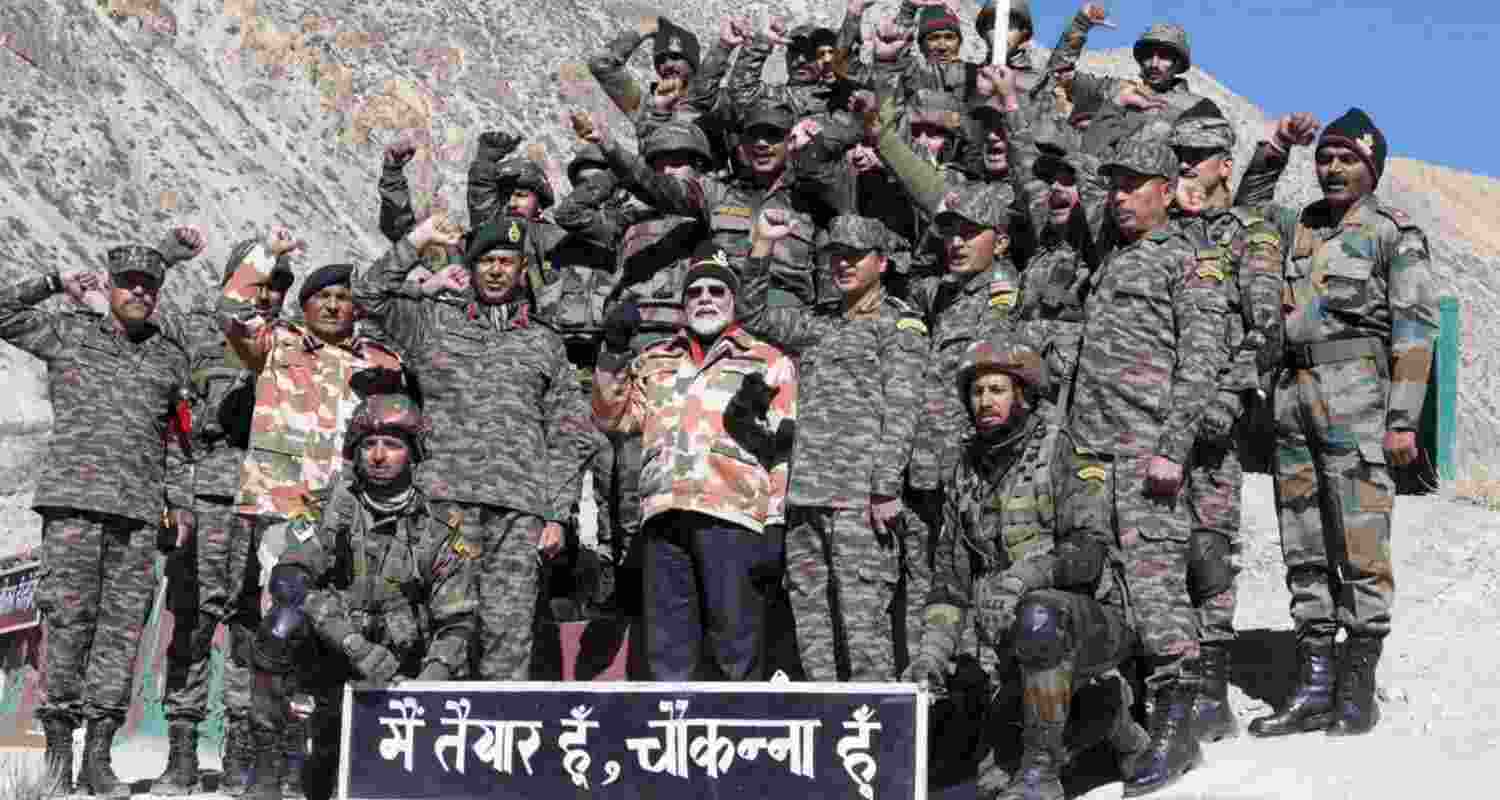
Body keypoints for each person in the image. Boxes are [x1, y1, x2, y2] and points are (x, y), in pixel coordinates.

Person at [1233, 108, 1437, 738]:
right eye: (1324, 157)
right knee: (1303, 546)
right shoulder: (1300, 226)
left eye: (1346, 158)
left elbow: (1415, 328)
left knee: (1361, 548)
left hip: (1358, 405)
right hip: (1291, 402)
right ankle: (1314, 684)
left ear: (1371, 166)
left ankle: (1357, 687)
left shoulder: (1392, 234)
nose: (1332, 168)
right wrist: (1274, 150)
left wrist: (1404, 421)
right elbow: (1247, 211)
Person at [0, 228, 202, 797]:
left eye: (150, 286)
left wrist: (181, 506)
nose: (140, 293)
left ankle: (100, 757)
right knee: (67, 626)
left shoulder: (167, 357)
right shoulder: (68, 334)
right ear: (109, 286)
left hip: (137, 516)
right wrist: (52, 283)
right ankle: (60, 754)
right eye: (129, 284)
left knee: (120, 634)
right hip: (72, 508)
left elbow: (177, 440)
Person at [354, 212, 598, 680]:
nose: (495, 270)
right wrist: (418, 239)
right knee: (442, 631)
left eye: (506, 261)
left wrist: (555, 513)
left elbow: (571, 431)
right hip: (444, 508)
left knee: (507, 639)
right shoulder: (433, 323)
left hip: (518, 512)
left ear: (522, 269)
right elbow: (369, 295)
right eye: (485, 260)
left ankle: (496, 744)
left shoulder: (544, 342)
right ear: (471, 266)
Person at [908, 337, 1147, 800]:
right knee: (990, 781)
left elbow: (1087, 553)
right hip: (1008, 648)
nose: (985, 402)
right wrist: (931, 657)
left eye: (997, 390)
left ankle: (1042, 776)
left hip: (1091, 624)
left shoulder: (1062, 449)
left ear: (1022, 394)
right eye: (977, 392)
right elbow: (950, 583)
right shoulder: (965, 469)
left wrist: (1022, 578)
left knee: (1038, 615)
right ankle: (1108, 713)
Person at [1068, 134, 1229, 796]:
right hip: (1090, 456)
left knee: (1158, 589)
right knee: (1102, 591)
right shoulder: (1111, 262)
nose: (1120, 196)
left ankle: (1177, 729)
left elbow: (1201, 361)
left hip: (1145, 455)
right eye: (1115, 186)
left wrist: (1173, 446)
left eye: (1134, 184)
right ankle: (1119, 730)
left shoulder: (1190, 263)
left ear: (1168, 190)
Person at [217, 227, 404, 793]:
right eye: (322, 297)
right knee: (284, 626)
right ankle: (268, 762)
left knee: (341, 633)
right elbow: (230, 308)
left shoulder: (383, 362)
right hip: (286, 510)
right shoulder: (277, 345)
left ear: (356, 308)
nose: (333, 304)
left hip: (354, 517)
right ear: (304, 306)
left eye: (343, 297)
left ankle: (324, 762)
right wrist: (267, 254)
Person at [245, 391, 479, 800]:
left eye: (392, 445)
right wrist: (351, 644)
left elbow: (457, 623)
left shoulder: (439, 529)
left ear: (413, 453)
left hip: (397, 668)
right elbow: (288, 582)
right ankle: (267, 768)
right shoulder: (324, 511)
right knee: (279, 625)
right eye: (369, 444)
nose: (378, 455)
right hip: (330, 653)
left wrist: (422, 691)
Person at [592, 243, 797, 680]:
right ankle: (673, 737)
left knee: (736, 650)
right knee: (668, 655)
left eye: (717, 291)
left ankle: (742, 739)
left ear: (734, 300)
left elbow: (782, 450)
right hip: (663, 518)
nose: (705, 298)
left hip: (734, 519)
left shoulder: (767, 361)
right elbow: (614, 417)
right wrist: (612, 352)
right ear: (684, 303)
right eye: (696, 291)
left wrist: (775, 523)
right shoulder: (655, 360)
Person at [737, 212, 927, 681]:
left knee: (864, 635)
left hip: (858, 500)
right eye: (834, 257)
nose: (842, 265)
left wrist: (884, 489)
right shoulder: (818, 324)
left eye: (854, 257)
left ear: (880, 263)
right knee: (813, 630)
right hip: (805, 497)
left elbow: (902, 410)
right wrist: (762, 245)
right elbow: (753, 315)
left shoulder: (898, 326)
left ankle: (879, 737)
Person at [152, 240, 294, 796]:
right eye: (260, 281)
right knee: (192, 620)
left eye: (279, 285)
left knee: (250, 627)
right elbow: (167, 421)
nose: (270, 294)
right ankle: (182, 752)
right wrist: (175, 498)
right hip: (208, 496)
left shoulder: (294, 345)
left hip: (273, 502)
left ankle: (241, 749)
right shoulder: (198, 334)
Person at [1165, 99, 1286, 742]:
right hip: (1153, 420)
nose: (1186, 166)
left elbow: (1263, 330)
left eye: (1198, 156)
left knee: (1207, 549)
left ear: (1222, 163)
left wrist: (1229, 400)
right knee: (1156, 549)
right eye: (1179, 155)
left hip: (1213, 423)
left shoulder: (1248, 232)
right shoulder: (1162, 229)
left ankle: (1212, 689)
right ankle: (1170, 683)